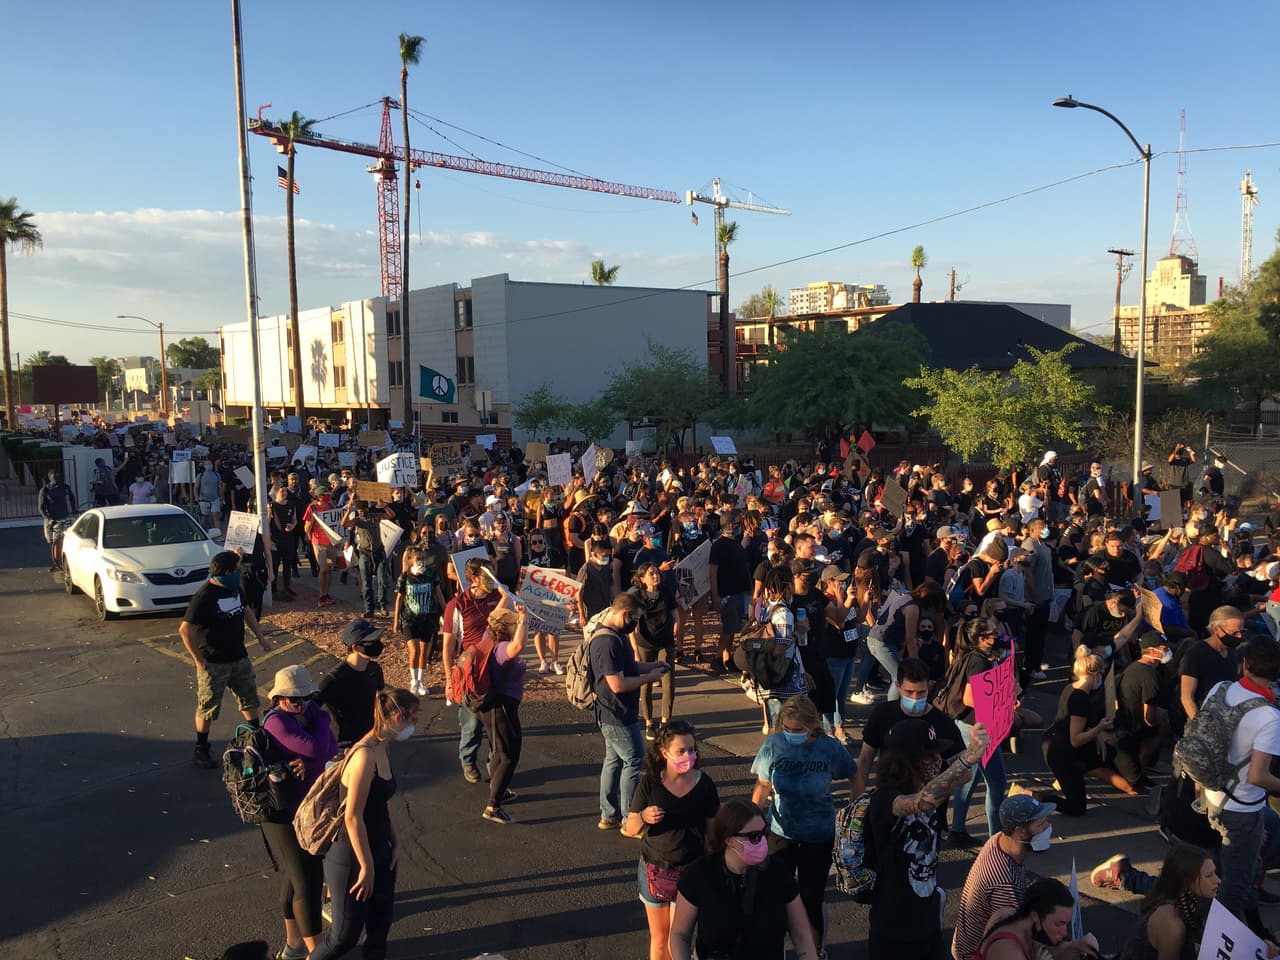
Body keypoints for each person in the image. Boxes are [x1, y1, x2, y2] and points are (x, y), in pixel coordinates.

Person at [308, 687, 419, 960]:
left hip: (380, 847)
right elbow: (352, 817)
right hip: (351, 854)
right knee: (343, 937)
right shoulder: (364, 756)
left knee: (380, 925)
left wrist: (396, 840)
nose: (414, 725)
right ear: (396, 717)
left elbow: (379, 804)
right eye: (412, 718)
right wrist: (366, 865)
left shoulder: (383, 748)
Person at [865, 718, 990, 959]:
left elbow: (960, 775)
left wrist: (974, 746)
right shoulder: (884, 799)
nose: (938, 760)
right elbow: (923, 801)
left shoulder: (928, 779)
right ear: (905, 761)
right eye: (929, 756)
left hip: (927, 919)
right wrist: (969, 757)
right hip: (893, 927)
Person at [750, 695, 854, 956]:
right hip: (780, 832)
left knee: (811, 898)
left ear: (812, 725)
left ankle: (814, 951)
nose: (791, 735)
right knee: (773, 895)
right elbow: (762, 785)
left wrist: (854, 814)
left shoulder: (829, 748)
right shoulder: (774, 744)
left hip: (818, 835)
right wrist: (752, 821)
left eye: (797, 730)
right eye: (786, 729)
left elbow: (854, 774)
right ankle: (775, 950)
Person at [669, 798, 819, 960]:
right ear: (729, 840)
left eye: (764, 833)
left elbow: (802, 936)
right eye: (754, 836)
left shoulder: (779, 873)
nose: (762, 841)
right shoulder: (700, 875)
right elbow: (680, 935)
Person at [1200, 635, 1280, 935]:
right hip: (1242, 807)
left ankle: (1253, 924)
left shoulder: (1220, 689)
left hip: (1211, 793)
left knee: (1230, 870)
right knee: (1233, 885)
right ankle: (1219, 942)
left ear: (1244, 664)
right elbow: (1259, 776)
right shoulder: (1269, 716)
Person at [260, 664, 339, 960]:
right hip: (280, 815)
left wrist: (312, 753)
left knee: (295, 880)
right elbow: (319, 749)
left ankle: (294, 947)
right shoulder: (276, 723)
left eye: (306, 697)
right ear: (278, 697)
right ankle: (316, 953)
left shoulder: (304, 716)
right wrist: (322, 716)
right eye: (293, 699)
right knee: (307, 880)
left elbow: (327, 750)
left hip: (301, 810)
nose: (300, 703)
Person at [625, 721, 720, 960]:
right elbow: (630, 827)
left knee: (679, 940)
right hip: (654, 869)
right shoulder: (650, 782)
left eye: (691, 749)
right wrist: (645, 817)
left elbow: (713, 830)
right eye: (681, 751)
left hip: (691, 870)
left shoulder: (705, 785)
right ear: (664, 753)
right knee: (659, 940)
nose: (688, 755)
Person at [179, 551, 272, 768]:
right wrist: (198, 659)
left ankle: (255, 739)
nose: (239, 573)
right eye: (236, 570)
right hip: (214, 661)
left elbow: (246, 610)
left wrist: (260, 637)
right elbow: (185, 629)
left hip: (238, 656)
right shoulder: (204, 596)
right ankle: (201, 748)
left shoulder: (234, 589)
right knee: (208, 706)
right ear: (227, 572)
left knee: (249, 698)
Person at [591, 592, 668, 831]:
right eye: (635, 618)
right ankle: (629, 819)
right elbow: (617, 684)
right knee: (634, 761)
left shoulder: (617, 636)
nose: (636, 624)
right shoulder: (607, 642)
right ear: (625, 614)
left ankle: (609, 814)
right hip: (617, 713)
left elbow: (629, 668)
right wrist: (649, 678)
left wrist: (652, 666)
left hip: (613, 712)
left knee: (613, 760)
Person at [951, 794, 1057, 960]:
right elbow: (1011, 937)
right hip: (974, 954)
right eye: (1041, 824)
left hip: (966, 943)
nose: (1047, 828)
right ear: (1019, 831)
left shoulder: (998, 840)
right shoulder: (1005, 886)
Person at [1043, 646, 1139, 816]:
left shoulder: (1071, 687)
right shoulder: (1080, 698)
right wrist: (1100, 729)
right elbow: (1076, 739)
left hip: (1057, 742)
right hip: (1063, 753)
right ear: (1096, 675)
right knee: (1077, 807)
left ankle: (1130, 788)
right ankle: (1033, 797)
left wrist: (1098, 738)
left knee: (1100, 757)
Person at [852, 657, 963, 799]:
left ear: (928, 686)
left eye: (921, 692)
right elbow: (865, 760)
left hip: (929, 808)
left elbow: (963, 771)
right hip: (888, 802)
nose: (915, 698)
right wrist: (855, 802)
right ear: (898, 687)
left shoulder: (943, 722)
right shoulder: (882, 714)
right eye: (909, 692)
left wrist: (937, 792)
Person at [948, 619, 1012, 845]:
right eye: (994, 633)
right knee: (997, 783)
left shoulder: (977, 657)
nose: (999, 634)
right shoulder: (979, 662)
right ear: (982, 639)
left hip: (970, 726)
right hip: (978, 729)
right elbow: (969, 697)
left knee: (969, 779)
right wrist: (1001, 701)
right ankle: (997, 839)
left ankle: (957, 829)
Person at [441, 556, 502, 784]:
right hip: (471, 674)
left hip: (497, 668)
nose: (493, 580)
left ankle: (493, 764)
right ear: (474, 579)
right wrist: (449, 680)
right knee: (472, 723)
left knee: (498, 723)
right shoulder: (457, 605)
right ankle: (468, 760)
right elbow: (448, 646)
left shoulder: (500, 598)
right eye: (489, 576)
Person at [1117, 844, 1221, 960]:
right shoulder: (1173, 925)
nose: (1218, 880)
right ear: (1187, 881)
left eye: (1215, 873)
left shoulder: (1173, 897)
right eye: (1209, 875)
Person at [478, 604, 528, 825]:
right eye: (514, 622)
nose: (517, 624)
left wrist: (504, 596)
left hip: (494, 706)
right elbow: (518, 645)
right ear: (505, 627)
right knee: (509, 753)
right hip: (501, 707)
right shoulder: (501, 648)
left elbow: (494, 617)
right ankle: (493, 806)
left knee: (499, 749)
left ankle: (498, 789)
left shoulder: (487, 637)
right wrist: (525, 618)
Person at [1174, 605, 1245, 735]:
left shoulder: (1232, 652)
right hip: (1202, 721)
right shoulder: (1196, 654)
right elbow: (1186, 696)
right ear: (1216, 629)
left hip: (1226, 721)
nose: (1239, 636)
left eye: (1242, 632)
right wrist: (1202, 726)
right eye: (1234, 632)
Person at [969, 878, 1079, 960]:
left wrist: (1078, 946)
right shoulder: (1009, 951)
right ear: (1035, 916)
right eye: (1058, 924)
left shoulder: (1008, 914)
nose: (1065, 933)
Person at [315, 620, 386, 747]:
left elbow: (380, 697)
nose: (378, 644)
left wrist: (380, 725)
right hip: (343, 746)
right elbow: (310, 710)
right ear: (355, 647)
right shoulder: (334, 679)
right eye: (372, 641)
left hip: (370, 739)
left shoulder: (374, 669)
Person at [629, 562, 679, 738]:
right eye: (651, 574)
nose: (655, 576)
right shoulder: (637, 597)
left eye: (656, 572)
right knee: (646, 685)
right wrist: (635, 650)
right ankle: (649, 722)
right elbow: (632, 627)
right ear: (642, 579)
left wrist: (676, 626)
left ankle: (665, 721)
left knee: (668, 683)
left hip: (666, 642)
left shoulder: (665, 592)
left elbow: (674, 613)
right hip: (645, 644)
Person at [392, 545, 444, 697]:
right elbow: (399, 599)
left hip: (427, 618)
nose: (421, 561)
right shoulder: (405, 577)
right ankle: (414, 680)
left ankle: (422, 680)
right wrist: (395, 620)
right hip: (410, 619)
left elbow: (438, 593)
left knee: (424, 652)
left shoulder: (431, 575)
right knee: (414, 650)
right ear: (410, 561)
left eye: (423, 558)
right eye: (418, 559)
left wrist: (446, 610)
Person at [708, 508, 751, 674]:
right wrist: (715, 595)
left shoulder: (736, 543)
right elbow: (713, 571)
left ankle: (727, 656)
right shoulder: (718, 545)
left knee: (734, 628)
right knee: (728, 628)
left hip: (739, 591)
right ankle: (718, 658)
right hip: (727, 593)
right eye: (736, 524)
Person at [301, 482, 338, 608]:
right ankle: (321, 596)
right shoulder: (312, 508)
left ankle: (327, 594)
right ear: (318, 496)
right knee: (323, 569)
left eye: (327, 494)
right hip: (318, 542)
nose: (327, 496)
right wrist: (313, 519)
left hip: (331, 542)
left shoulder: (331, 505)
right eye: (324, 494)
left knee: (329, 569)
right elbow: (306, 528)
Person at [38, 468, 77, 571]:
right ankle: (56, 560)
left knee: (57, 540)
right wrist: (48, 518)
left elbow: (72, 498)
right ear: (50, 477)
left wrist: (74, 510)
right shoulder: (45, 490)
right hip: (49, 519)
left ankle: (58, 563)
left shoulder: (64, 487)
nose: (57, 479)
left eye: (58, 476)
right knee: (50, 540)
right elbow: (41, 507)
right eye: (54, 477)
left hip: (62, 518)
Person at [268, 485, 298, 602]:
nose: (285, 493)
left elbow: (295, 519)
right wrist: (269, 539)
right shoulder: (272, 506)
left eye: (285, 491)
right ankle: (274, 588)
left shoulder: (291, 504)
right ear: (276, 493)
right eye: (282, 491)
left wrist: (293, 526)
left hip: (288, 538)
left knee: (287, 564)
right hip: (276, 540)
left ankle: (287, 587)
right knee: (275, 565)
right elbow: (267, 523)